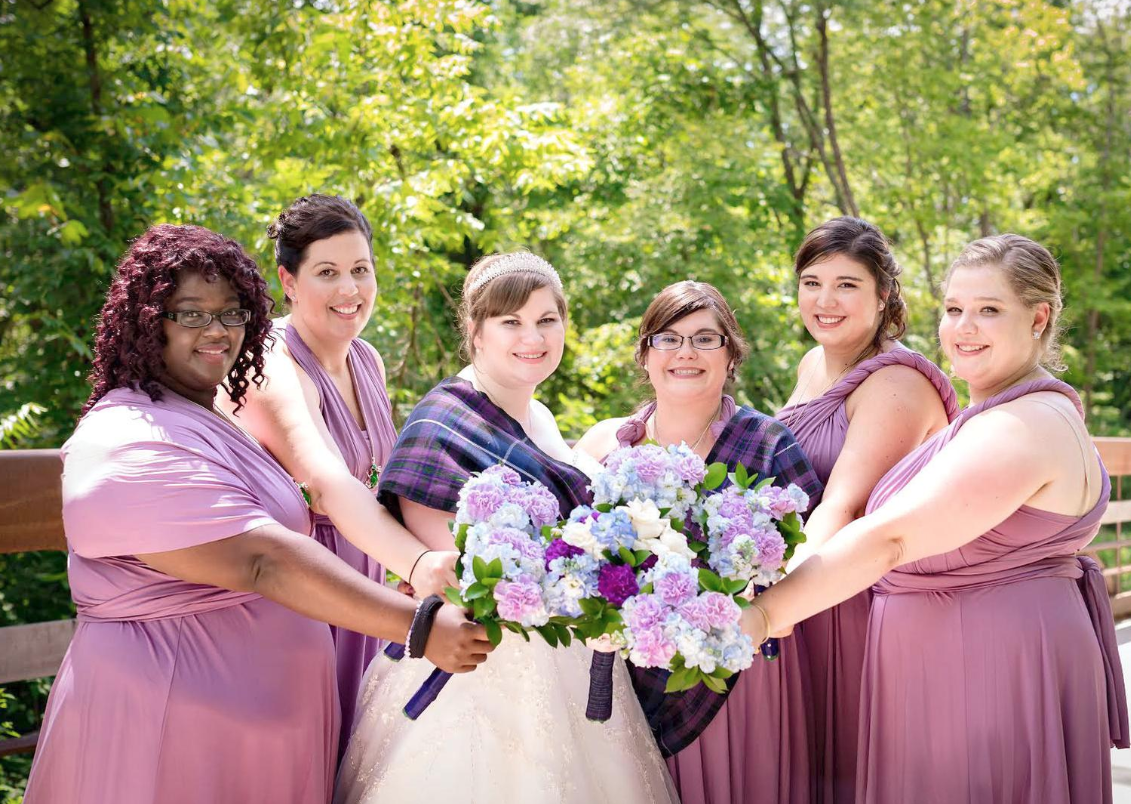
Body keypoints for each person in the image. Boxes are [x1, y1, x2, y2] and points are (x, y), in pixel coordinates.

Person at [23, 225, 490, 804]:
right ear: (147, 321)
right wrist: (417, 625)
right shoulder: (128, 436)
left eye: (233, 312)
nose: (217, 331)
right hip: (173, 734)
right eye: (190, 314)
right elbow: (263, 561)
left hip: (260, 741)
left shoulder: (206, 417)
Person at [744, 234, 1129, 804]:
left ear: (1039, 318)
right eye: (954, 310)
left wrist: (760, 616)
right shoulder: (996, 413)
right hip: (955, 669)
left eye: (988, 310)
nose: (963, 327)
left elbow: (892, 537)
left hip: (987, 675)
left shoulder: (1023, 425)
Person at [335, 252, 678, 804]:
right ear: (475, 330)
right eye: (511, 322)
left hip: (567, 662)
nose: (533, 337)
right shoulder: (441, 423)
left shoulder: (536, 415)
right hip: (478, 675)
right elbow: (461, 577)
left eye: (546, 320)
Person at [220, 194, 457, 754]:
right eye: (327, 272)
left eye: (361, 270)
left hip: (374, 585)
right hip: (304, 599)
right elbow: (325, 481)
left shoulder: (367, 359)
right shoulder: (268, 360)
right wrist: (418, 564)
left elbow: (386, 485)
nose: (350, 290)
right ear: (289, 279)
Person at [577, 280, 823, 804]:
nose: (685, 353)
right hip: (625, 672)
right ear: (644, 355)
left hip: (737, 673)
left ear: (731, 354)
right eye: (667, 339)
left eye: (705, 339)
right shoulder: (603, 445)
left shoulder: (767, 443)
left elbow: (808, 566)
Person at [774, 217, 957, 803]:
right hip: (807, 587)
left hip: (857, 602)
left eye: (847, 285)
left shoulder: (896, 383)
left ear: (883, 297)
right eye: (811, 281)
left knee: (850, 768)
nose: (824, 301)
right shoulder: (812, 364)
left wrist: (771, 600)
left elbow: (843, 504)